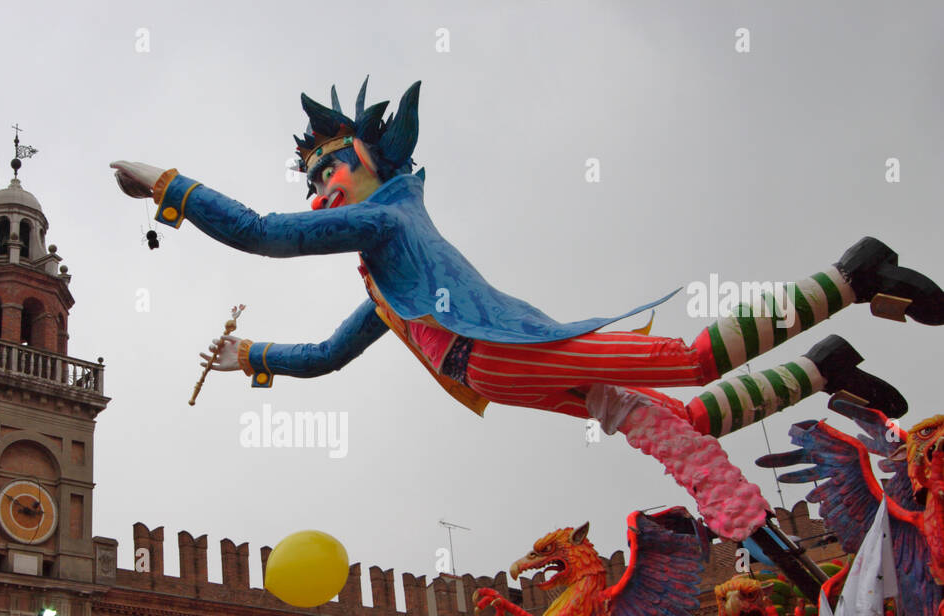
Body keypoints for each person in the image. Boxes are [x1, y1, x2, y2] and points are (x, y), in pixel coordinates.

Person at [111, 78, 944, 556]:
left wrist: (166, 185)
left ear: (375, 163)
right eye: (315, 174)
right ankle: (821, 365)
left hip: (504, 354)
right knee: (682, 422)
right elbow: (331, 356)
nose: (322, 183)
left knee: (691, 361)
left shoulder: (388, 221)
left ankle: (850, 274)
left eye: (332, 163)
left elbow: (261, 234)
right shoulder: (389, 287)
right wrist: (253, 356)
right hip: (496, 371)